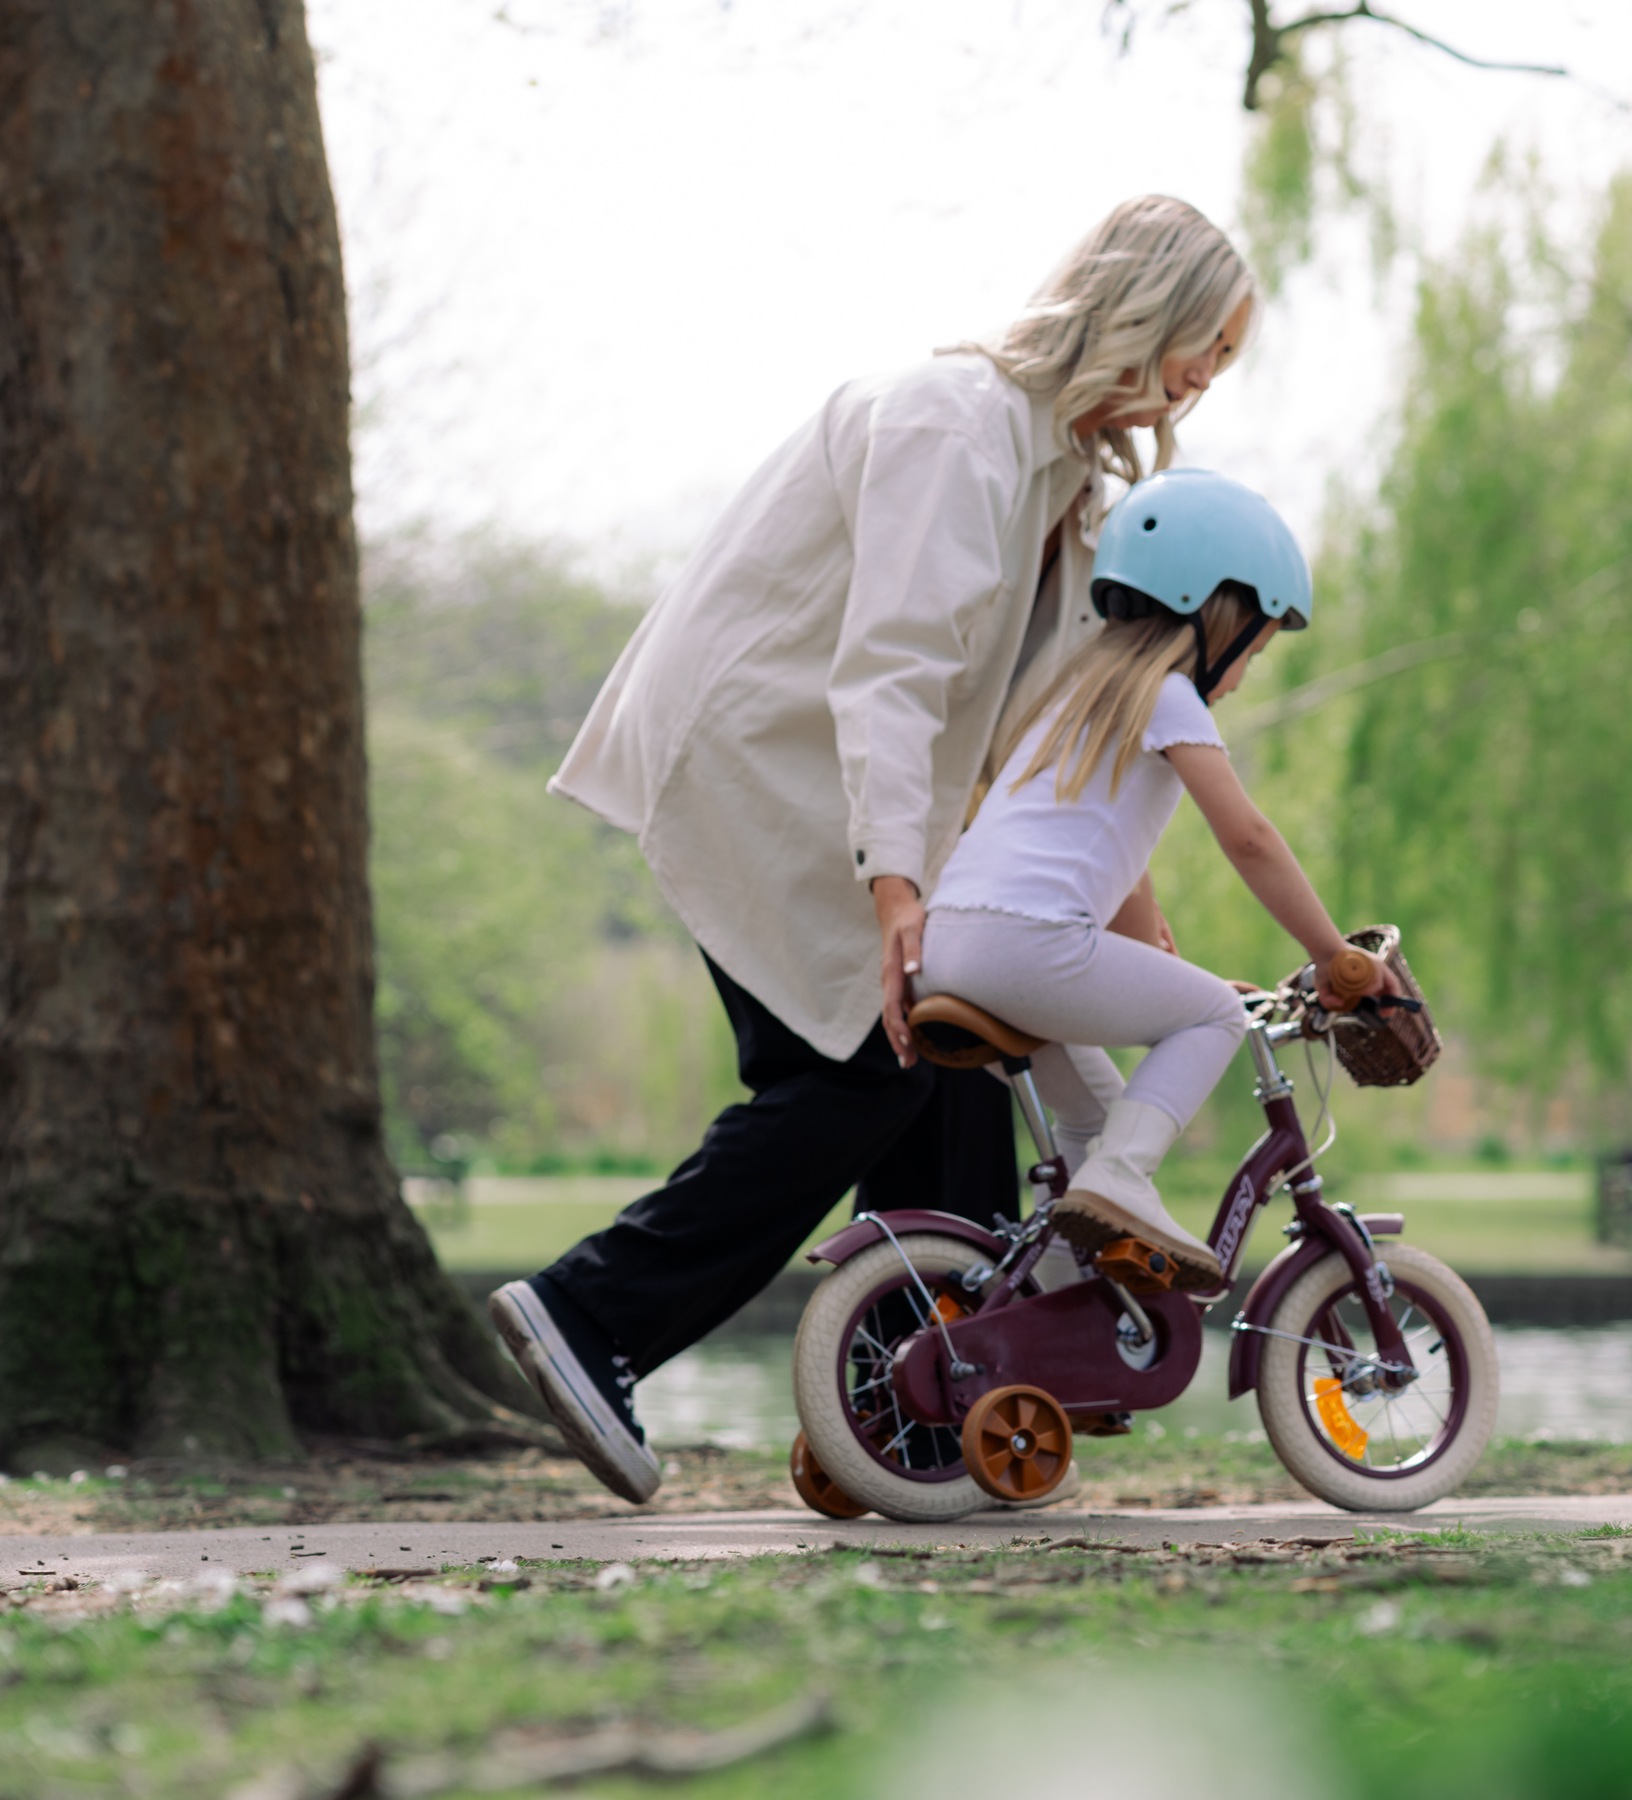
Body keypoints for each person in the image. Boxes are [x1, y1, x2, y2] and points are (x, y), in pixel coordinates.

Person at [488, 197, 1256, 1504]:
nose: (1205, 380)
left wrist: (1133, 909)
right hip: (764, 765)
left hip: (843, 782)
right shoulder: (953, 427)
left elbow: (1045, 733)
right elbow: (892, 671)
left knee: (961, 1046)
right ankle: (593, 1314)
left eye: (1228, 363)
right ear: (1147, 308)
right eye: (1208, 345)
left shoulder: (1066, 485)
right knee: (868, 1068)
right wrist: (899, 886)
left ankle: (918, 1410)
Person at [918, 468, 1404, 1293]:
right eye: (1256, 644)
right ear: (1220, 613)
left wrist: (1171, 977)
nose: (1248, 669)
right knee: (1211, 1020)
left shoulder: (1072, 700)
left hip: (953, 942)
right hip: (1027, 946)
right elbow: (1248, 838)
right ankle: (1119, 1183)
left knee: (1097, 1120)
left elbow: (1127, 880)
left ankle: (1063, 1324)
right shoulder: (1173, 699)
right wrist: (1332, 954)